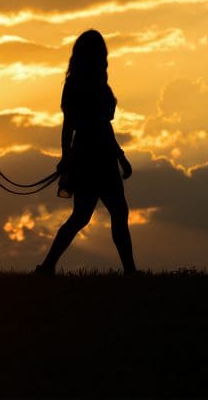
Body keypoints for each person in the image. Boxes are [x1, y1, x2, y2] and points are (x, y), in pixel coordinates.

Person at [35, 29, 137, 276]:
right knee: (101, 214)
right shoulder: (80, 84)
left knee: (87, 216)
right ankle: (130, 272)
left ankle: (48, 267)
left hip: (95, 154)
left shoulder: (92, 82)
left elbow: (101, 125)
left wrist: (120, 155)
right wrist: (66, 157)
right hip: (93, 156)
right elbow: (70, 124)